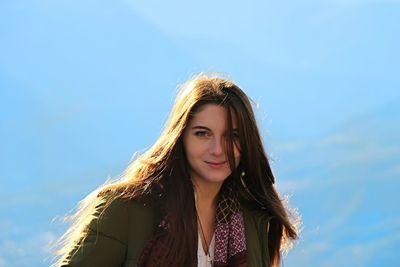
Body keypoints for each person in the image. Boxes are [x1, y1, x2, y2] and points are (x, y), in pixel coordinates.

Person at [52, 73, 299, 267]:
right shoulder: (125, 209)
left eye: (232, 136)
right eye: (202, 134)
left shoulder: (251, 219)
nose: (218, 149)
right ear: (180, 137)